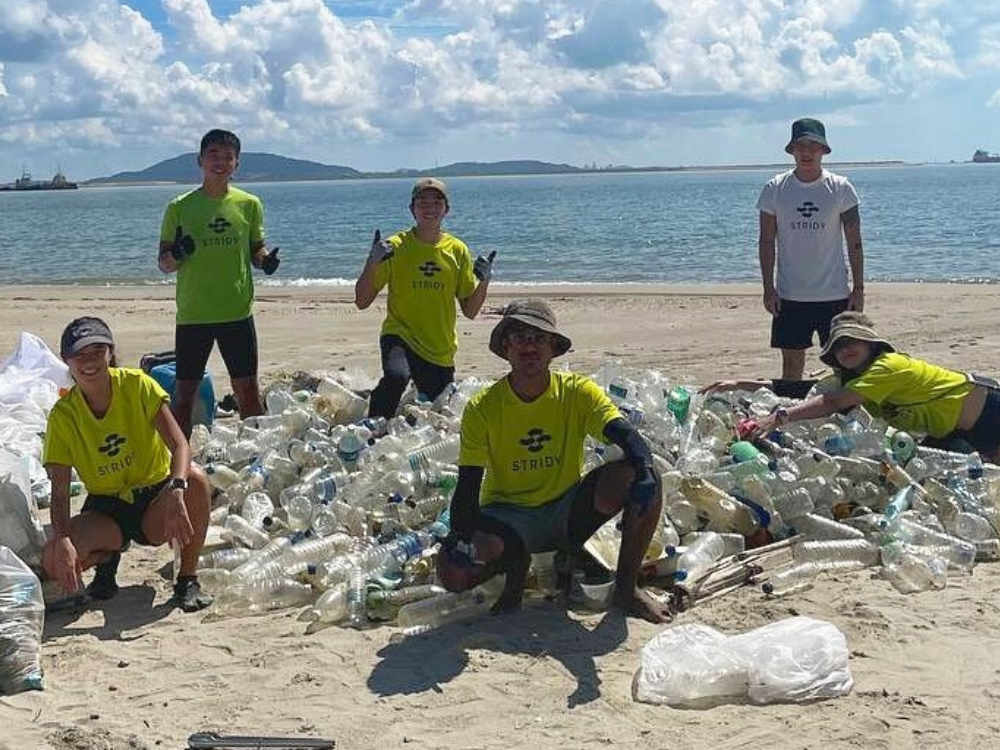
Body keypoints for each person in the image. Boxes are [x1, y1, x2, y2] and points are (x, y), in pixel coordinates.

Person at [436, 299, 672, 623]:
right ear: (506, 347)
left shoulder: (577, 392)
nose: (529, 346)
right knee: (452, 573)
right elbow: (467, 487)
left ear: (553, 348)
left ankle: (626, 589)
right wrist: (462, 542)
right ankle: (519, 565)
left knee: (643, 476)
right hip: (508, 518)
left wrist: (645, 469)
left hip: (567, 511)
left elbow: (626, 435)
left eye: (539, 338)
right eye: (520, 337)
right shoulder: (482, 407)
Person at [41, 317, 213, 611]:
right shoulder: (63, 415)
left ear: (110, 351)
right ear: (66, 361)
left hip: (155, 497)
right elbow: (59, 491)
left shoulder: (137, 385)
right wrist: (63, 539)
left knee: (196, 478)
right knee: (53, 559)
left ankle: (187, 579)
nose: (89, 361)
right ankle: (107, 560)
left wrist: (176, 489)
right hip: (106, 507)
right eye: (79, 354)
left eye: (97, 350)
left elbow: (180, 444)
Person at [707, 311, 1000, 463]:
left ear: (870, 343)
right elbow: (811, 390)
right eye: (839, 346)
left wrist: (780, 417)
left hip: (990, 412)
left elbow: (833, 401)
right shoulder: (857, 377)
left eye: (853, 341)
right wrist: (741, 384)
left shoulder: (888, 367)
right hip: (956, 432)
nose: (846, 349)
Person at [157, 128, 280, 438]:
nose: (220, 162)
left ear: (236, 164)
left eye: (228, 157)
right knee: (185, 395)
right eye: (213, 155)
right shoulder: (179, 207)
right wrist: (179, 252)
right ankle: (180, 462)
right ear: (200, 160)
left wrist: (265, 261)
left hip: (236, 312)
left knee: (248, 392)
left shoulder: (249, 204)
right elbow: (164, 264)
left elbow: (255, 249)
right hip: (194, 314)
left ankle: (257, 453)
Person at [354, 177, 494, 418]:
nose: (430, 208)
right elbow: (362, 300)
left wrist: (484, 281)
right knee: (396, 377)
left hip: (439, 347)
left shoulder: (457, 250)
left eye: (437, 202)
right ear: (412, 209)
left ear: (446, 209)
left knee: (438, 410)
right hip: (400, 335)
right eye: (423, 202)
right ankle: (372, 428)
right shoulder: (395, 247)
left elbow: (470, 311)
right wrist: (372, 262)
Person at [758, 117, 865, 381]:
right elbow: (766, 241)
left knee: (846, 367)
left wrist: (859, 288)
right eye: (800, 146)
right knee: (792, 367)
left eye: (813, 146)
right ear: (792, 150)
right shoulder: (775, 189)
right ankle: (793, 415)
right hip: (790, 295)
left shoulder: (841, 188)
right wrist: (768, 289)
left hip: (835, 294)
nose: (806, 152)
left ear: (823, 151)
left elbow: (855, 241)